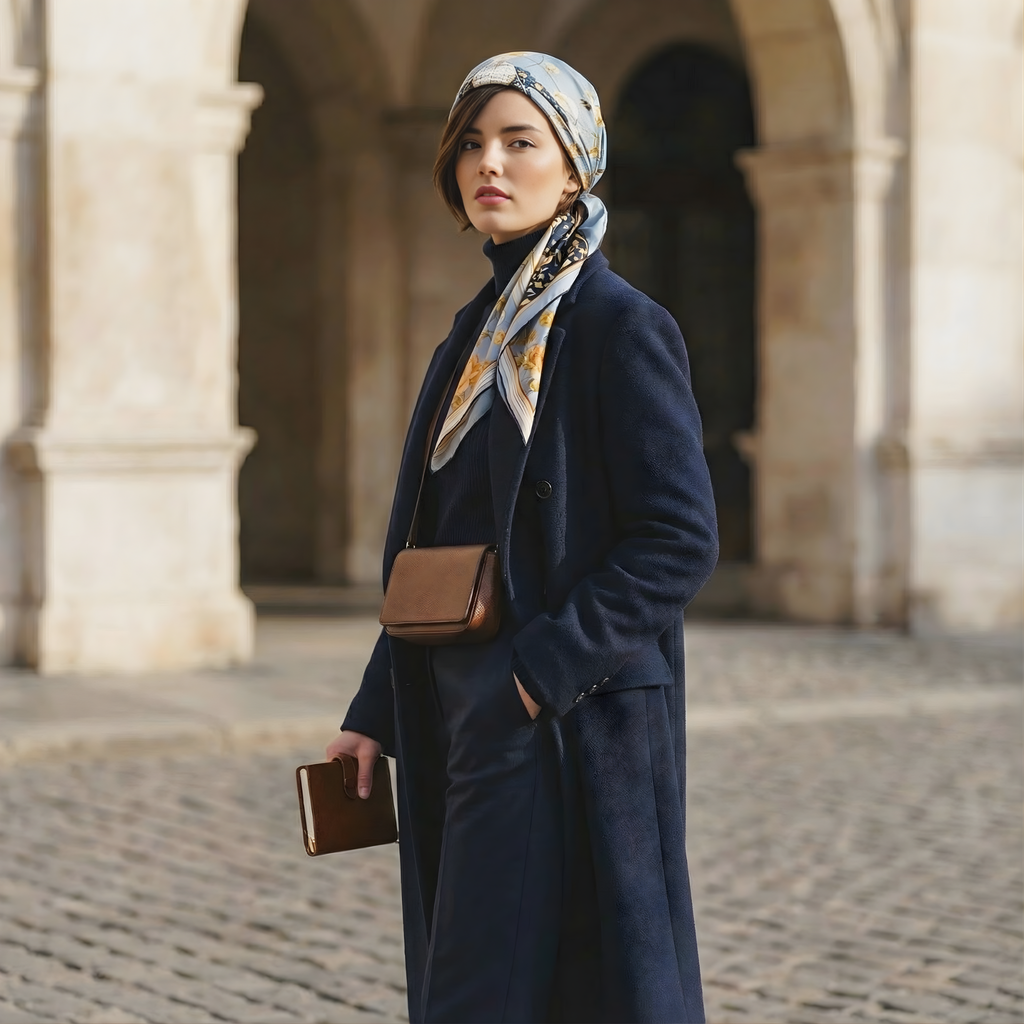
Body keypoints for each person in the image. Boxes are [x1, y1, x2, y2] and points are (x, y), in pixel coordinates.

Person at [327, 52, 718, 1024]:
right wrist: (373, 707)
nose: (487, 163)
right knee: (488, 981)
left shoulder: (618, 328)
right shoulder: (472, 337)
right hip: (458, 712)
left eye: (518, 141)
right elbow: (435, 546)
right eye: (470, 143)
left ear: (575, 165)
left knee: (504, 989)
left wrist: (535, 672)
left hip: (559, 714)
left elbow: (676, 538)